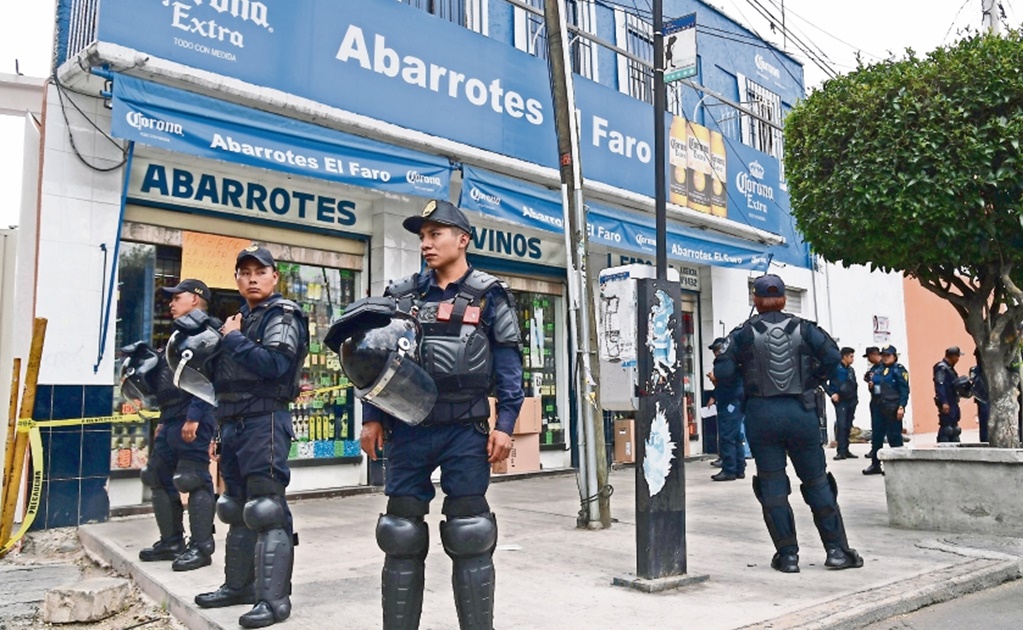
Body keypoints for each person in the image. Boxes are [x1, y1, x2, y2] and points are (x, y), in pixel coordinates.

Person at [358, 199, 524, 630]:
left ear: (462, 240)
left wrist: (506, 425)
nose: (426, 244)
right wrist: (371, 416)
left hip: (465, 430)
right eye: (422, 237)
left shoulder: (490, 295)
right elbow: (377, 357)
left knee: (470, 532)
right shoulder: (401, 295)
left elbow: (508, 366)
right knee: (400, 533)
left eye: (436, 234)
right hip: (408, 429)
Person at [713, 273, 863, 573]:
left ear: (755, 301)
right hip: (801, 413)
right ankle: (836, 551)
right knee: (817, 481)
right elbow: (834, 359)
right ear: (783, 298)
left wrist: (746, 372)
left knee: (772, 486)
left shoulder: (742, 333)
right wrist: (815, 379)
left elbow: (724, 371)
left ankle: (788, 556)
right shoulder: (806, 329)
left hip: (762, 415)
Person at [193, 245, 308, 629]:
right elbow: (219, 381)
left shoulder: (284, 314)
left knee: (266, 508)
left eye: (260, 271)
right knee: (236, 507)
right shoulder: (236, 320)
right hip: (232, 423)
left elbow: (275, 364)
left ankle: (273, 601)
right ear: (237, 279)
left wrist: (233, 339)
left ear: (275, 276)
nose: (252, 278)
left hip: (265, 421)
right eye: (244, 272)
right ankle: (238, 586)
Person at [131, 279, 217, 571]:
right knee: (156, 475)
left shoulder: (206, 334)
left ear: (195, 299)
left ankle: (201, 547)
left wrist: (195, 416)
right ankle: (171, 542)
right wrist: (163, 421)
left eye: (177, 297)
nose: (171, 302)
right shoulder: (178, 335)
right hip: (170, 419)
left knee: (191, 478)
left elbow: (206, 378)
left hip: (194, 417)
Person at [863, 346, 909, 475]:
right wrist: (871, 387)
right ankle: (875, 464)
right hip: (878, 406)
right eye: (883, 355)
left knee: (894, 436)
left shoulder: (899, 370)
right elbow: (874, 385)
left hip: (892, 407)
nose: (885, 358)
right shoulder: (878, 370)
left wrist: (901, 406)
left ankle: (897, 464)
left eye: (888, 355)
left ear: (894, 356)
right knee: (877, 437)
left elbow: (904, 390)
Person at [707, 337, 746, 481]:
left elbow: (725, 383)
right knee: (735, 437)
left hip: (730, 402)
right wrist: (714, 396)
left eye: (716, 350)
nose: (715, 354)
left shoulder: (726, 364)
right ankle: (739, 468)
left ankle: (729, 470)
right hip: (734, 401)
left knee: (727, 436)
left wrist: (713, 380)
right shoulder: (733, 362)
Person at [827, 347, 859, 460]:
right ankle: (840, 451)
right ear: (844, 356)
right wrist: (832, 393)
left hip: (851, 400)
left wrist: (856, 399)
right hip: (841, 401)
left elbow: (854, 385)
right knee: (842, 425)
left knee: (848, 425)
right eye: (851, 356)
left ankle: (846, 449)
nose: (852, 359)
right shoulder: (835, 368)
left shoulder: (850, 370)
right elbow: (824, 382)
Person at [934, 346, 963, 443]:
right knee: (947, 429)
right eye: (958, 357)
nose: (958, 359)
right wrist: (944, 402)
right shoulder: (941, 368)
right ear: (953, 356)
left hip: (953, 401)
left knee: (954, 429)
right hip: (947, 401)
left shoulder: (949, 369)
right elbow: (940, 385)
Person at [861, 346, 884, 460]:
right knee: (876, 428)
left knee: (889, 430)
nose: (869, 360)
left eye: (869, 357)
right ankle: (875, 451)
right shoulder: (874, 368)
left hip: (885, 401)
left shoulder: (884, 367)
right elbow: (867, 376)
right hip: (875, 400)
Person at [970, 350, 990, 443]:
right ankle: (985, 441)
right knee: (985, 422)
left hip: (986, 399)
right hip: (983, 399)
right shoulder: (976, 370)